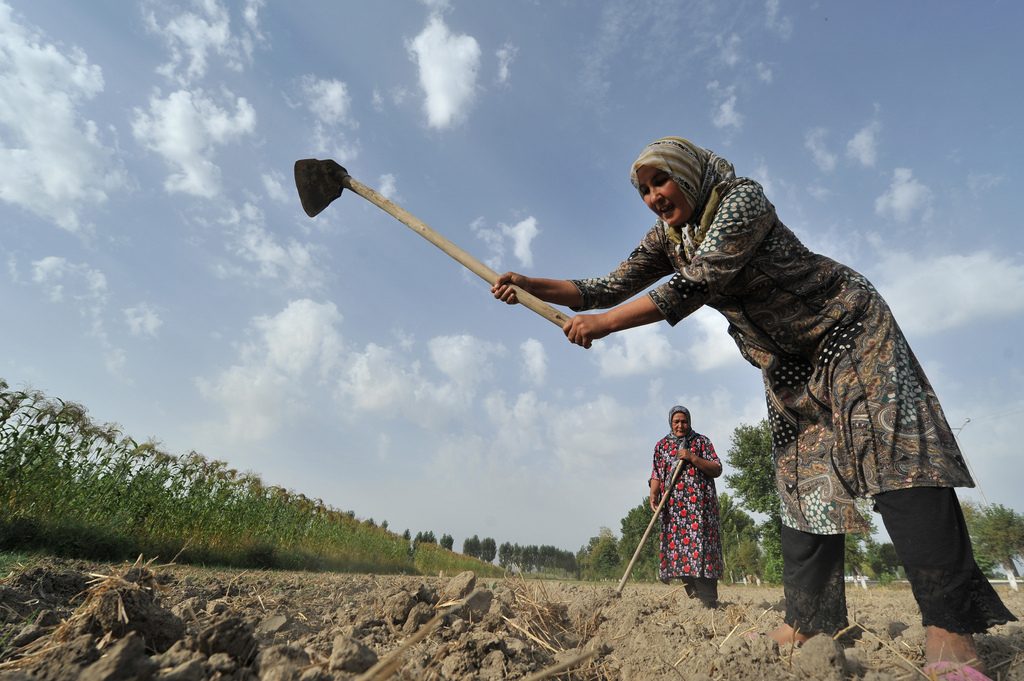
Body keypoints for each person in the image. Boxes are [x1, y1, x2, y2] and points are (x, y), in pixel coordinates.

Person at [492, 136, 1016, 676]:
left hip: (849, 330)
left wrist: (603, 325)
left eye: (660, 182)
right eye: (643, 190)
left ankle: (950, 628)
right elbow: (605, 286)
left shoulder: (743, 201)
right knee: (803, 480)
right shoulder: (671, 237)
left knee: (896, 460)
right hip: (786, 361)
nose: (652, 197)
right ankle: (811, 619)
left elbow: (698, 282)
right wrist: (533, 285)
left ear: (688, 174)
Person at [650, 405, 723, 608]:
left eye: (684, 421)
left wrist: (692, 457)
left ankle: (708, 600)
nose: (680, 425)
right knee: (680, 552)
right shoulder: (662, 446)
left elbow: (717, 468)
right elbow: (657, 472)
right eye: (676, 422)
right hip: (674, 511)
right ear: (671, 423)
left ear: (689, 422)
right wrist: (653, 493)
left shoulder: (701, 442)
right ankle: (693, 600)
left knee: (702, 551)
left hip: (701, 510)